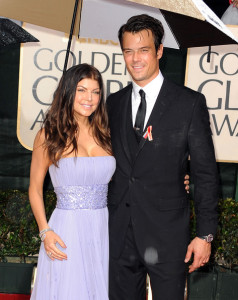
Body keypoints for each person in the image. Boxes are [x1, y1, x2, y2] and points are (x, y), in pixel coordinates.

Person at [107, 14, 219, 300]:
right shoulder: (113, 103)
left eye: (143, 50)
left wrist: (205, 235)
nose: (135, 59)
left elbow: (205, 174)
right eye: (128, 51)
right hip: (120, 236)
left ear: (158, 51)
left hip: (169, 238)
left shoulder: (189, 103)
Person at [29, 63, 116, 300]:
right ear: (68, 91)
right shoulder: (49, 134)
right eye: (82, 90)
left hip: (102, 228)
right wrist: (45, 231)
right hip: (65, 230)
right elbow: (35, 189)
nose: (89, 98)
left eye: (96, 92)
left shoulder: (108, 133)